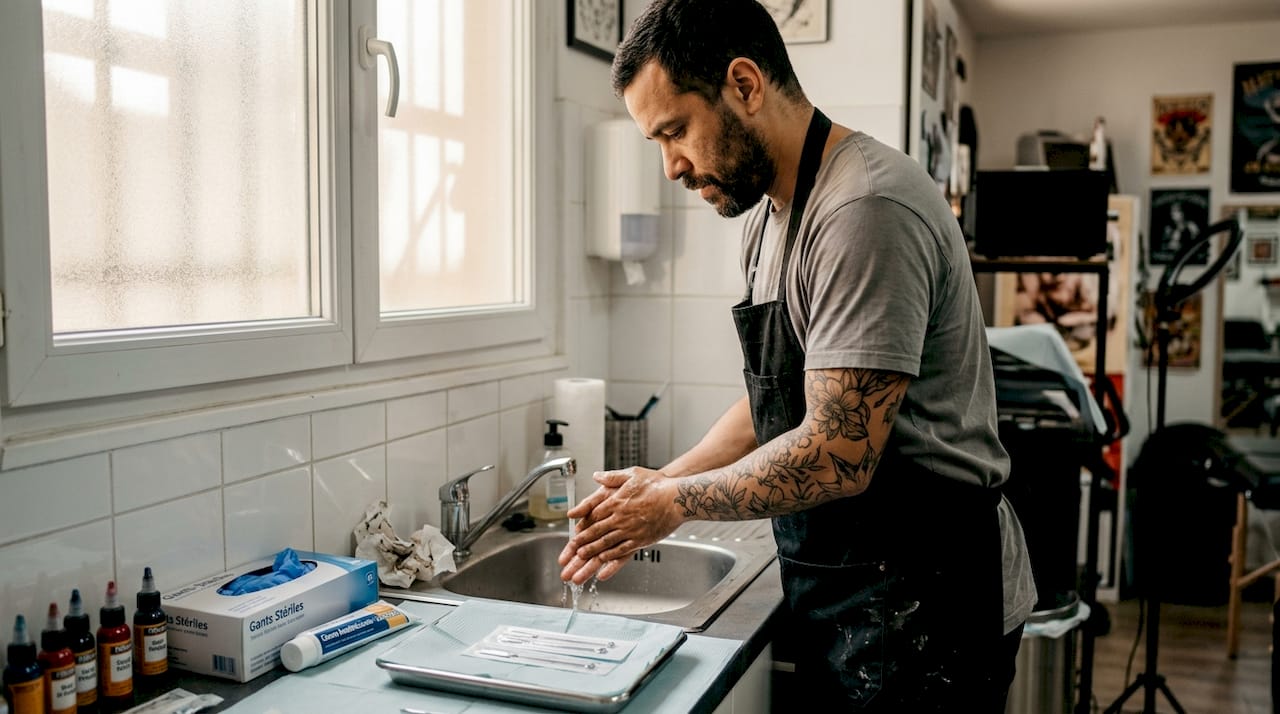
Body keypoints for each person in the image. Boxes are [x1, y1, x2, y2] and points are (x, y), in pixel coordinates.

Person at [558, 1, 1037, 711]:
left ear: (745, 85)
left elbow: (837, 448)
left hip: (929, 600)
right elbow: (777, 404)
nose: (670, 168)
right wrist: (660, 480)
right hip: (846, 592)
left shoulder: (865, 208)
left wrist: (672, 505)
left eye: (675, 131)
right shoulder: (772, 218)